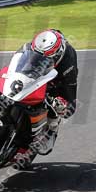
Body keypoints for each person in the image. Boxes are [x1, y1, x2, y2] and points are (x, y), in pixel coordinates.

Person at [14, 29, 78, 165]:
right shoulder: (29, 47)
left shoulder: (69, 63)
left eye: (48, 58)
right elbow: (13, 67)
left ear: (58, 55)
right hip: (28, 77)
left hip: (53, 84)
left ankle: (50, 131)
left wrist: (62, 104)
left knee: (55, 111)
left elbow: (71, 99)